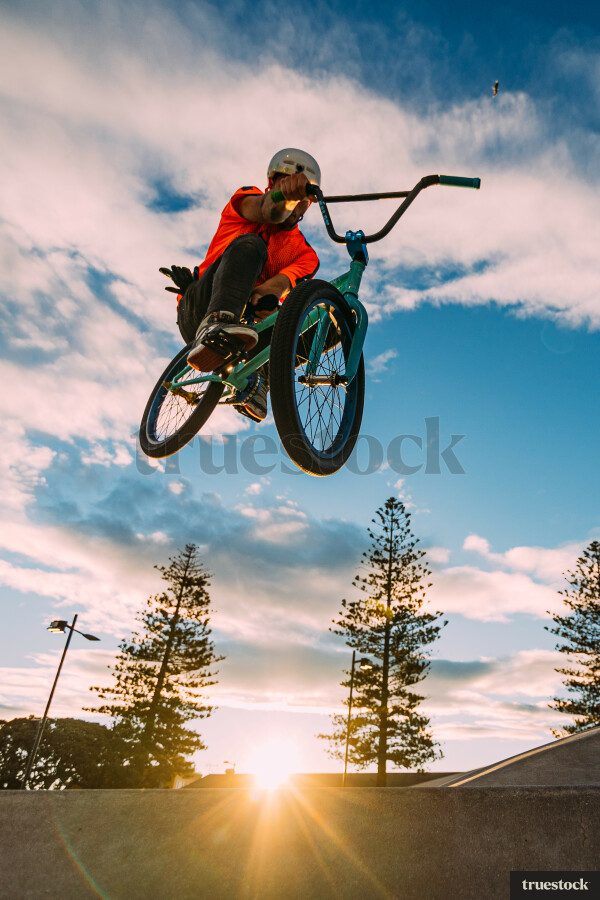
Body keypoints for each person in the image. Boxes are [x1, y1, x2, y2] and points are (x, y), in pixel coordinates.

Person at [161, 148, 321, 422]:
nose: (296, 200)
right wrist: (285, 197)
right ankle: (216, 323)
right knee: (251, 245)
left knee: (319, 324)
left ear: (310, 202)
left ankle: (262, 379)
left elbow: (275, 287)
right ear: (271, 183)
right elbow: (268, 210)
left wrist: (268, 302)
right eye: (283, 183)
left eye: (302, 196)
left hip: (247, 322)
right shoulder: (245, 199)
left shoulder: (305, 254)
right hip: (201, 305)